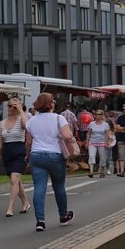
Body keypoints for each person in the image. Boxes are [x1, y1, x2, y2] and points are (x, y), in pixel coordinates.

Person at [25, 93, 75, 232]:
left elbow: (28, 142)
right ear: (51, 104)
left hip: (37, 155)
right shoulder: (59, 118)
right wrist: (71, 137)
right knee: (59, 186)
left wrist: (28, 156)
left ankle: (40, 221)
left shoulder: (31, 121)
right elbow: (66, 135)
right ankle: (63, 215)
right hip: (55, 155)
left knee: (39, 188)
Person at [0, 97, 31, 216]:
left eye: (14, 107)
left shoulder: (21, 120)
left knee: (14, 179)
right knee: (16, 181)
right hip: (7, 152)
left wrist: (20, 110)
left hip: (19, 151)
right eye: (10, 106)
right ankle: (25, 202)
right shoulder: (2, 123)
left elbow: (28, 126)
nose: (12, 109)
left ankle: (10, 208)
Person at [86, 110, 111, 178]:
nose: (97, 115)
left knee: (102, 158)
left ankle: (102, 171)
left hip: (102, 142)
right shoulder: (91, 124)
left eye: (99, 114)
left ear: (102, 115)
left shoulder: (105, 124)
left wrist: (107, 143)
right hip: (92, 142)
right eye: (96, 114)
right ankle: (91, 171)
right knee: (91, 156)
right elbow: (88, 133)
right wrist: (87, 142)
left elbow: (107, 134)